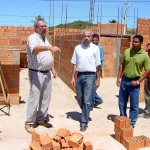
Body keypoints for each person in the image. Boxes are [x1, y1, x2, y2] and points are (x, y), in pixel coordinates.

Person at [25, 18, 61, 134]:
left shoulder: (45, 39)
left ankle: (41, 119)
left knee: (46, 98)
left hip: (47, 73)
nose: (45, 28)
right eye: (42, 26)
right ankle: (29, 123)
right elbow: (35, 50)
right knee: (34, 98)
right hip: (36, 73)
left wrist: (52, 68)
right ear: (36, 28)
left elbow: (47, 55)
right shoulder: (32, 38)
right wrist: (49, 47)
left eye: (45, 26)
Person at [116, 35, 150, 128]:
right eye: (133, 42)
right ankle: (123, 119)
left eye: (136, 42)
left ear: (141, 43)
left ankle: (131, 123)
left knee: (134, 105)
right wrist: (118, 78)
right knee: (122, 102)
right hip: (124, 80)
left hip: (134, 82)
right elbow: (122, 65)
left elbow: (147, 70)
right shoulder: (127, 51)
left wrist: (138, 81)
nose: (134, 43)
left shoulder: (144, 56)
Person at [71, 29, 101, 131]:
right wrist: (73, 77)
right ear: (82, 37)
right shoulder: (77, 48)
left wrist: (98, 79)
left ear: (91, 37)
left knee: (87, 99)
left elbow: (98, 65)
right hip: (79, 75)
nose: (87, 38)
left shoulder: (95, 49)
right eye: (85, 36)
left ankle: (84, 122)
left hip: (90, 76)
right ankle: (87, 110)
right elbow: (74, 64)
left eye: (89, 36)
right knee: (79, 98)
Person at [92, 34, 105, 107]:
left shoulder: (100, 48)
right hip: (90, 69)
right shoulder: (90, 47)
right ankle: (95, 99)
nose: (94, 42)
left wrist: (100, 70)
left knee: (94, 86)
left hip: (97, 69)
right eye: (93, 40)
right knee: (92, 86)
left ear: (98, 41)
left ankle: (97, 99)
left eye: (96, 41)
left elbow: (102, 59)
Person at [140, 41, 150, 118]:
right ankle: (147, 110)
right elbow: (141, 54)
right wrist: (146, 46)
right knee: (147, 94)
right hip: (148, 76)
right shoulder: (148, 51)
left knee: (148, 94)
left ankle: (148, 113)